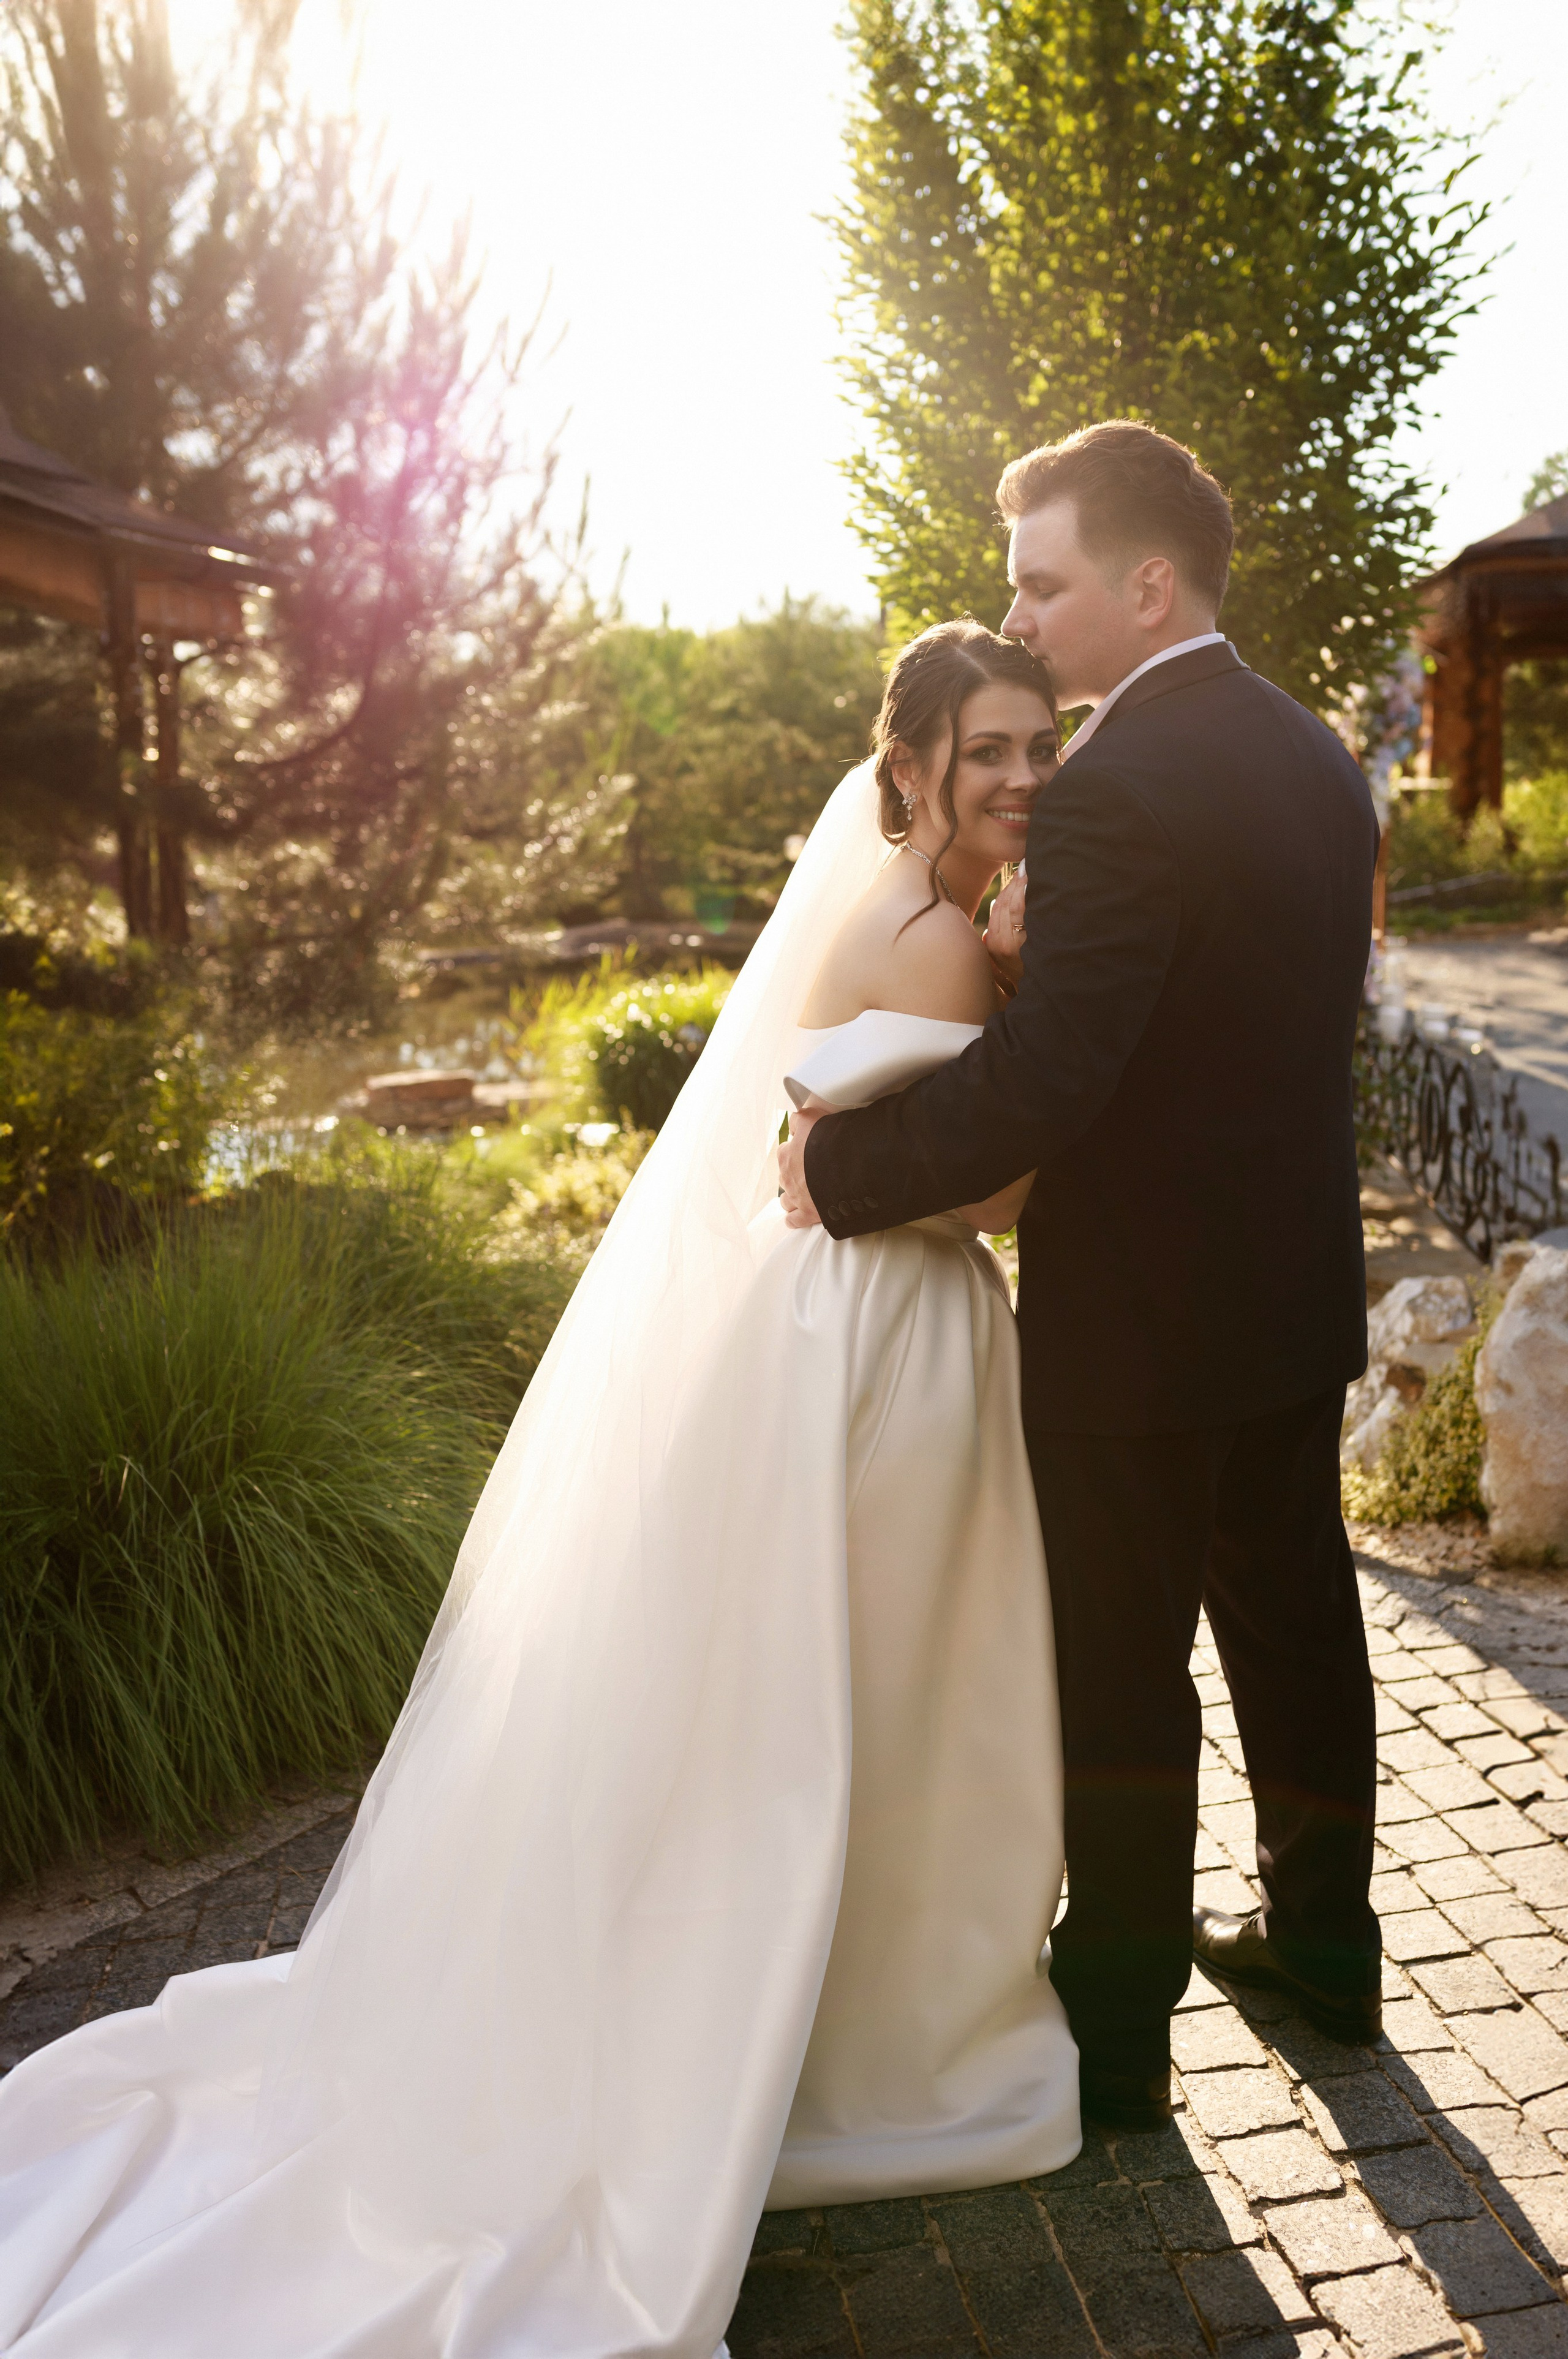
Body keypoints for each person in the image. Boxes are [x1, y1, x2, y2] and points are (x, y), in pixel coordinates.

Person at [0, 624, 1078, 2359]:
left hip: (831, 1322)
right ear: (915, 766)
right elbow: (997, 1190)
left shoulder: (896, 903)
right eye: (994, 750)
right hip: (895, 1328)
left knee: (835, 1683)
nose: (1027, 774)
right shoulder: (946, 937)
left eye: (1045, 744)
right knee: (882, 1684)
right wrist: (1025, 992)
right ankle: (876, 2033)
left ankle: (815, 1999)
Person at [782, 420, 1383, 2134]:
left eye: (1044, 582)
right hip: (1289, 1291)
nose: (1024, 613)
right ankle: (1329, 1943)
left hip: (1139, 1322)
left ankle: (1117, 2032)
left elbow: (1051, 1078)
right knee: (1295, 1611)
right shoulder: (1318, 759)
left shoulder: (1118, 786)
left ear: (1145, 580)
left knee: (1124, 1666)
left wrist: (840, 1165)